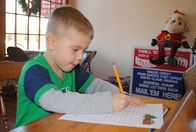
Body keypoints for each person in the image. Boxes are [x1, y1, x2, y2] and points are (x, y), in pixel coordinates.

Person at [15, 6, 144, 127]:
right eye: (75, 49)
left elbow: (96, 85)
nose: (80, 57)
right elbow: (54, 100)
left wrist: (123, 95)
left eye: (84, 50)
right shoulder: (34, 70)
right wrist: (107, 103)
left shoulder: (72, 69)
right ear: (52, 42)